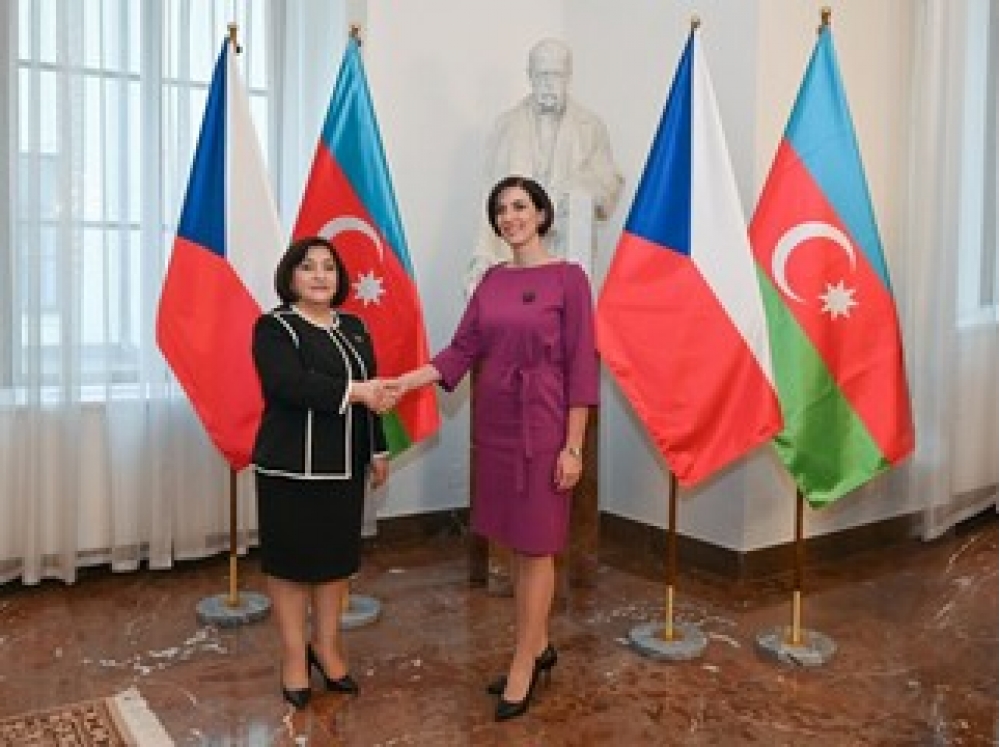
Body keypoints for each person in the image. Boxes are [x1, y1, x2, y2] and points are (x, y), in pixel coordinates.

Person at [391, 176, 599, 721]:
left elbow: (582, 366)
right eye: (501, 210)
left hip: (546, 425)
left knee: (537, 545)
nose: (510, 217)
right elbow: (460, 351)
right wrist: (404, 382)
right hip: (498, 426)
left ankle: (523, 663)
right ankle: (539, 645)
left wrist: (574, 447)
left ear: (541, 214)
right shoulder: (491, 280)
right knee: (515, 542)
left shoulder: (570, 279)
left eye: (520, 206)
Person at [251, 235, 392, 709]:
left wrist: (378, 449)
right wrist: (356, 392)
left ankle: (327, 648)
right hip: (288, 468)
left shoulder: (354, 326)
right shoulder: (275, 327)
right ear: (290, 276)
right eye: (308, 266)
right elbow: (289, 384)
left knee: (335, 565)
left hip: (344, 467)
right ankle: (294, 657)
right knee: (291, 567)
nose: (319, 275)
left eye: (328, 267)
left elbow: (372, 395)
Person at [466, 38, 623, 292]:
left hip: (566, 245)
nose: (548, 83)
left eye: (556, 75)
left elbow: (608, 187)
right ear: (530, 76)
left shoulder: (590, 127)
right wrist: (481, 257)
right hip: (513, 250)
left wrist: (579, 189)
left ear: (568, 76)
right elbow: (490, 196)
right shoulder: (506, 126)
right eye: (542, 75)